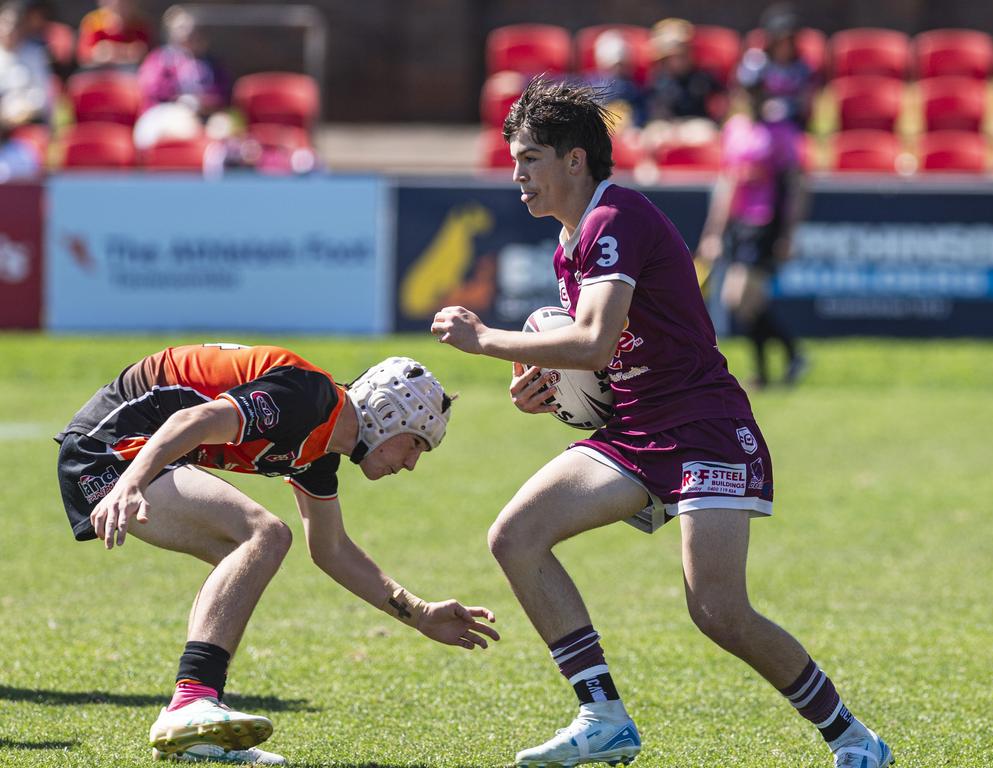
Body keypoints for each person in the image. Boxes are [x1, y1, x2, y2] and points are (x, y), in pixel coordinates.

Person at [430, 78, 891, 768]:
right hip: (638, 430)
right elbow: (602, 366)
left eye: (530, 159)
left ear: (575, 160)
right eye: (515, 160)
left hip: (704, 423)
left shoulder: (617, 218)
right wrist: (552, 396)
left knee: (718, 611)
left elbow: (589, 342)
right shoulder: (567, 247)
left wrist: (487, 340)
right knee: (516, 536)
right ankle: (602, 715)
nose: (517, 176)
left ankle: (855, 739)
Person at [55, 344, 499, 765]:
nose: (410, 464)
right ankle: (193, 702)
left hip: (136, 453)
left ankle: (194, 726)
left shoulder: (321, 449)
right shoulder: (309, 398)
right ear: (388, 413)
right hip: (110, 448)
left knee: (248, 548)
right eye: (416, 443)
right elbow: (194, 418)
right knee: (263, 535)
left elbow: (332, 550)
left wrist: (418, 613)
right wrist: (131, 482)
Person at [696, 48, 808, 388]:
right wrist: (714, 231)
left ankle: (777, 364)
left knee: (738, 298)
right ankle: (785, 361)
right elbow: (727, 184)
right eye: (749, 88)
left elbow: (796, 186)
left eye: (760, 87)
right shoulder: (735, 129)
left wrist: (789, 232)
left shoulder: (782, 131)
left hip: (766, 223)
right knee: (746, 303)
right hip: (739, 223)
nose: (754, 94)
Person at [137, 6, 230, 117]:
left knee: (223, 125)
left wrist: (202, 103)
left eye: (192, 29)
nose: (187, 33)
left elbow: (222, 94)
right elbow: (151, 87)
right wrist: (180, 99)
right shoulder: (160, 59)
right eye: (181, 28)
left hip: (203, 116)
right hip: (164, 114)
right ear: (170, 32)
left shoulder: (210, 63)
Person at [0, 0, 50, 180]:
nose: (9, 30)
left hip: (25, 129)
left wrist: (17, 114)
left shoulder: (35, 55)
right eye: (5, 24)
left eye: (14, 25)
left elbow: (41, 98)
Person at [76, 0, 152, 70]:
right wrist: (99, 52)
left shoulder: (139, 24)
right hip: (98, 73)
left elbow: (145, 53)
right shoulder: (93, 22)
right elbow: (83, 55)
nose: (118, 4)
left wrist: (118, 51)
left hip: (129, 74)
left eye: (125, 3)